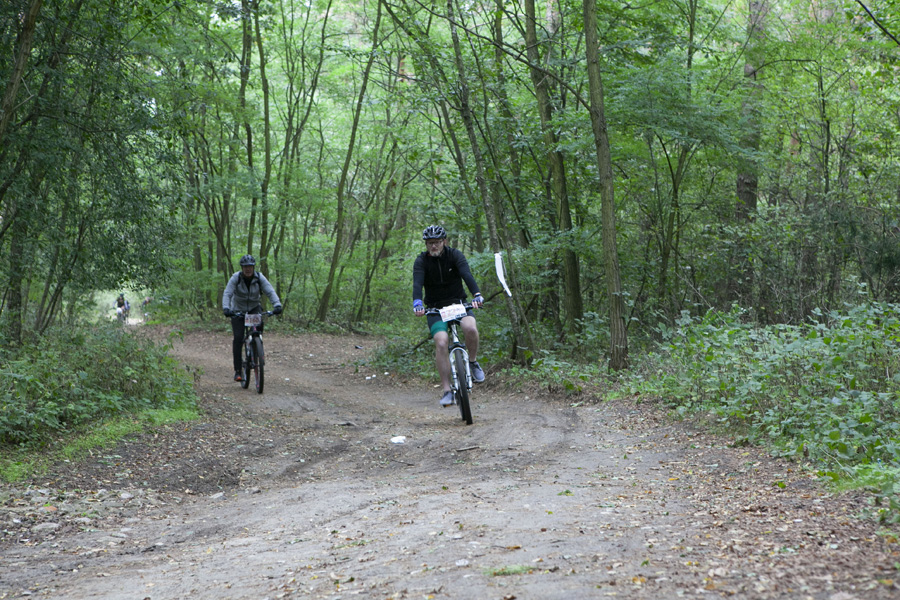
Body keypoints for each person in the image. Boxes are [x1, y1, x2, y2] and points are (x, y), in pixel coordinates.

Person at [413, 225, 485, 407]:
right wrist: (417, 303)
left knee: (470, 328)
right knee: (441, 342)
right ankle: (447, 390)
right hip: (435, 309)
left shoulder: (455, 255)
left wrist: (476, 294)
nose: (433, 246)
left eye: (437, 242)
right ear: (426, 244)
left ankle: (472, 362)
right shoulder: (421, 261)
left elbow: (466, 275)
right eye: (430, 243)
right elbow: (417, 283)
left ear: (444, 241)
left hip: (458, 304)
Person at [222, 254, 283, 382]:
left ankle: (256, 350)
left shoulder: (259, 277)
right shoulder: (236, 278)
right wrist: (226, 308)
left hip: (254, 308)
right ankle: (238, 371)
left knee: (257, 331)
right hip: (238, 310)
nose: (248, 269)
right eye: (245, 267)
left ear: (254, 267)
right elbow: (227, 293)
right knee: (238, 338)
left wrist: (277, 305)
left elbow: (270, 291)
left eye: (250, 266)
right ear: (242, 268)